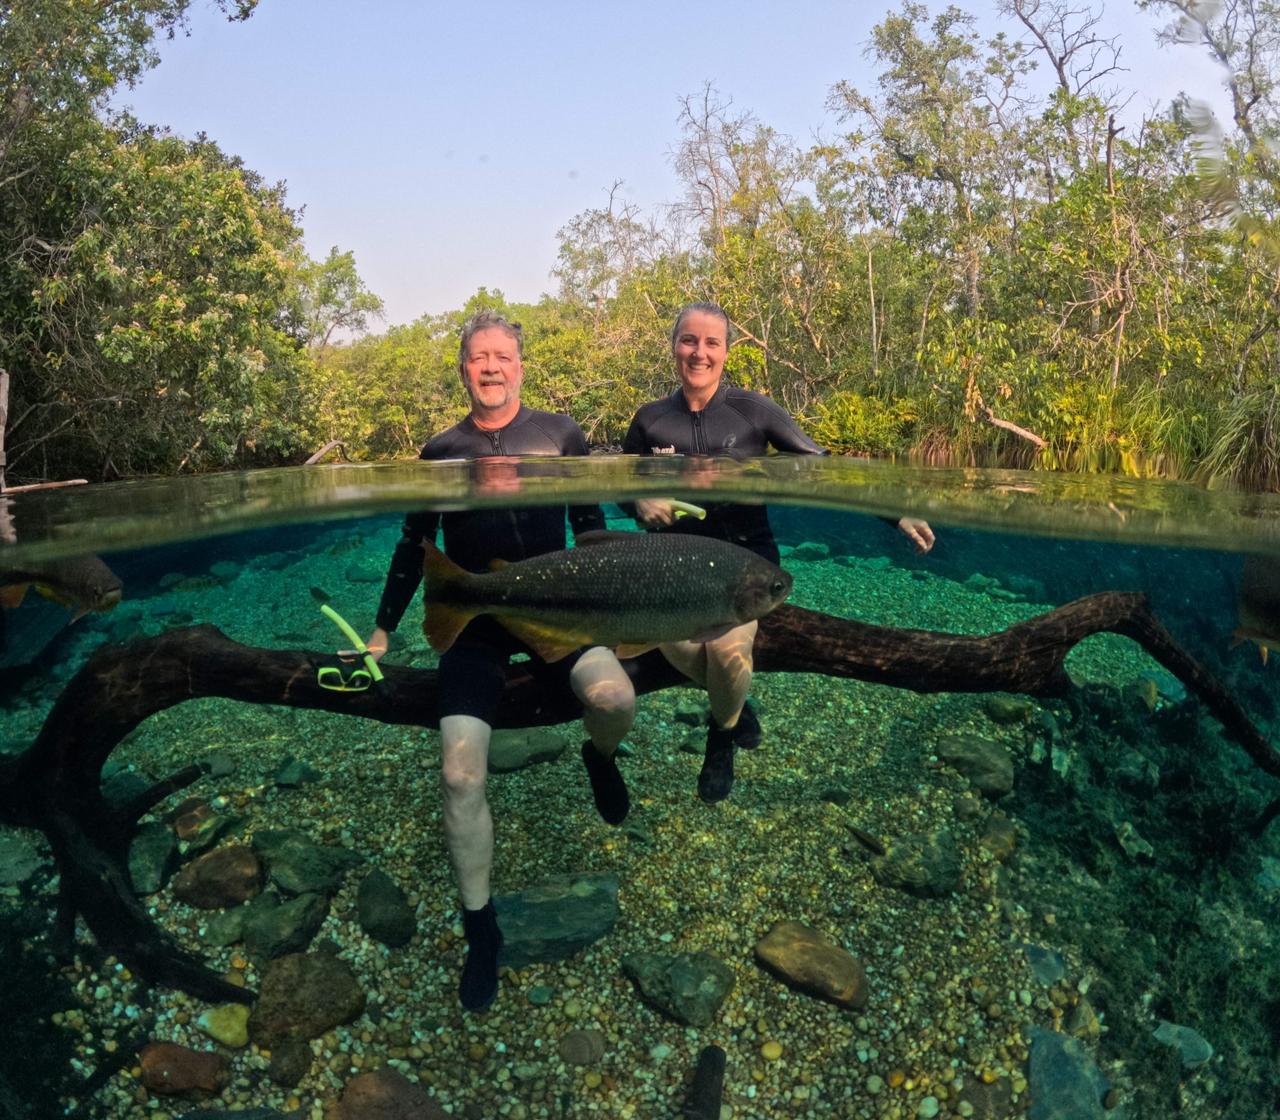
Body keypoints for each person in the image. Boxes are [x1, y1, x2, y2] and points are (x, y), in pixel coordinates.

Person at [365, 310, 635, 1013]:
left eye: (501, 356)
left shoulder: (561, 434)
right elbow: (412, 544)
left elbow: (593, 528)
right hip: (479, 617)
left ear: (520, 366)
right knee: (459, 774)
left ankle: (599, 758)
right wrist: (381, 631)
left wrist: (613, 605)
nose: (490, 366)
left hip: (559, 610)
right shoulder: (441, 450)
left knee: (613, 700)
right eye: (478, 357)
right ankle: (480, 929)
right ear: (463, 368)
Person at [622, 301, 934, 802]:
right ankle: (736, 706)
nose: (699, 353)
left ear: (727, 351)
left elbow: (823, 467)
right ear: (673, 345)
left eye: (711, 343)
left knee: (726, 650)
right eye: (688, 340)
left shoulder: (753, 412)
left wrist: (895, 510)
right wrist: (638, 499)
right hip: (672, 567)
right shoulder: (649, 421)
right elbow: (620, 482)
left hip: (745, 567)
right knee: (680, 646)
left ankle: (719, 738)